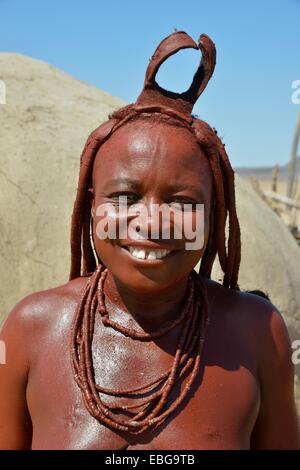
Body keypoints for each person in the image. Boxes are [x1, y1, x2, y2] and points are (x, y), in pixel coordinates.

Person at [0, 31, 299, 450]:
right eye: (124, 196)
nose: (153, 222)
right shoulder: (31, 329)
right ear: (90, 205)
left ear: (214, 216)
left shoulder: (257, 331)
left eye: (182, 201)